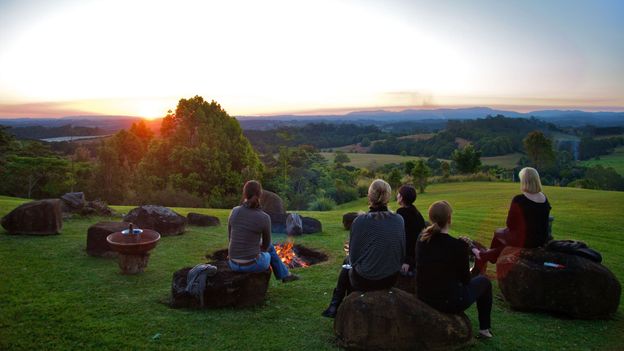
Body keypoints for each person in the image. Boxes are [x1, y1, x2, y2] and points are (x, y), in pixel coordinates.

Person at [322, 179, 405, 318]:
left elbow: (354, 258)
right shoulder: (399, 219)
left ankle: (335, 305)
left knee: (347, 263)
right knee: (349, 263)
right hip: (392, 277)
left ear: (369, 197)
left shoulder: (360, 221)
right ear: (388, 197)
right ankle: (337, 305)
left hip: (366, 280)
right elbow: (400, 251)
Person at [416, 200, 493, 338]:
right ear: (449, 219)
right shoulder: (458, 246)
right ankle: (484, 329)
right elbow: (465, 280)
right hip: (448, 301)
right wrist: (464, 248)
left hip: (424, 295)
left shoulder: (421, 240)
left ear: (431, 218)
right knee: (485, 282)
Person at [473, 167, 552, 274]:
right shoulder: (544, 199)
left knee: (498, 233)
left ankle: (488, 256)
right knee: (504, 241)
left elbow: (510, 224)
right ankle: (488, 255)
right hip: (541, 239)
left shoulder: (519, 199)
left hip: (525, 240)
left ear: (524, 181)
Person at [227, 180, 300, 283]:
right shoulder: (264, 217)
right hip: (251, 265)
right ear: (260, 195)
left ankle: (285, 275)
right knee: (270, 250)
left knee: (265, 247)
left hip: (233, 263)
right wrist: (257, 248)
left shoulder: (234, 211)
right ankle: (285, 275)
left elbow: (230, 237)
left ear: (245, 194)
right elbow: (266, 246)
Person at [396, 185, 426, 275]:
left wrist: (407, 260)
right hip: (418, 256)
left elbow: (409, 238)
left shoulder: (402, 213)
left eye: (398, 194)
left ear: (401, 197)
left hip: (408, 260)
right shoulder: (416, 213)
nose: (397, 196)